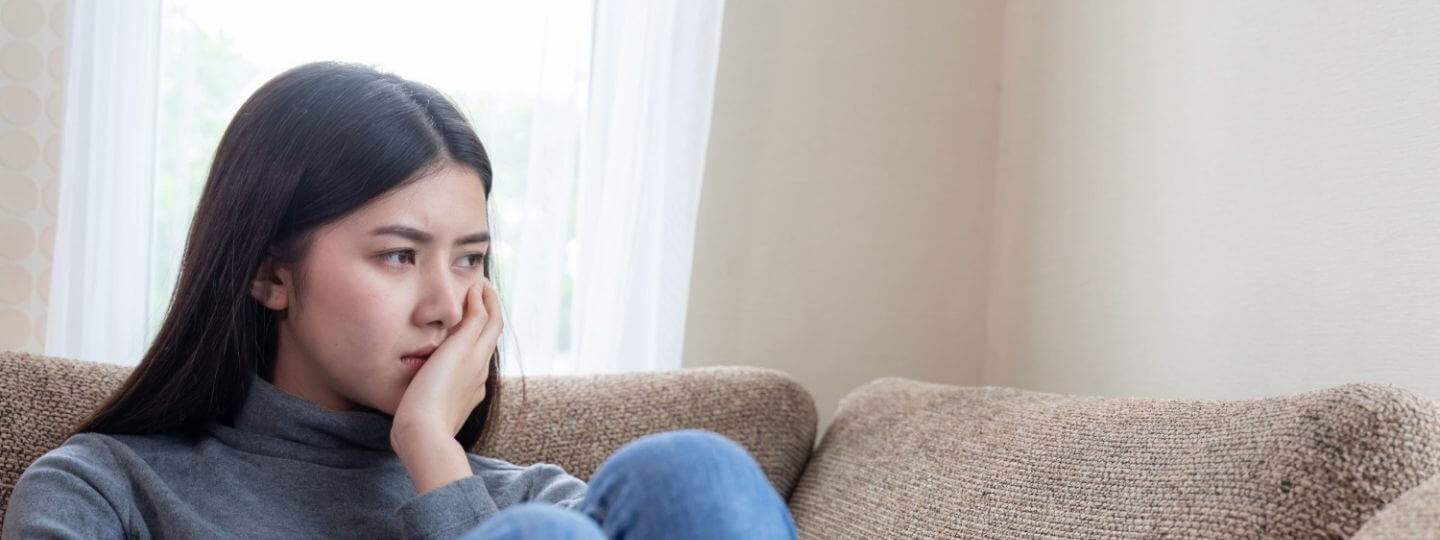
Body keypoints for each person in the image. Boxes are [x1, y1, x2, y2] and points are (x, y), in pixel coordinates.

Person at [1, 61, 796, 540]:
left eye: (472, 259)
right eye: (399, 255)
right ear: (269, 272)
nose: (449, 306)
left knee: (689, 469)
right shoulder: (105, 486)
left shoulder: (523, 496)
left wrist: (432, 454)